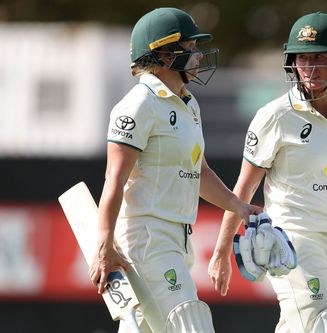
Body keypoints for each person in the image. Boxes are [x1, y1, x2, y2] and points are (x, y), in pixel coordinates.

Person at [88, 7, 262, 333]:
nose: (197, 55)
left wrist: (240, 208)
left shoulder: (188, 103)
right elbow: (115, 179)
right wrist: (104, 245)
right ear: (165, 55)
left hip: (179, 239)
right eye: (191, 47)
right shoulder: (139, 104)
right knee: (190, 323)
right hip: (147, 240)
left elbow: (199, 173)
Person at [209, 12, 327, 332]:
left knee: (300, 325)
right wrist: (221, 251)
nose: (311, 69)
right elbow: (243, 188)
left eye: (320, 57)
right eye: (303, 58)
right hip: (291, 238)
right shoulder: (275, 116)